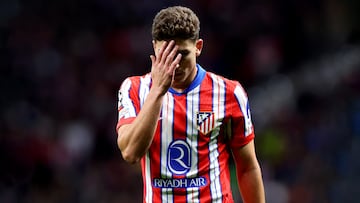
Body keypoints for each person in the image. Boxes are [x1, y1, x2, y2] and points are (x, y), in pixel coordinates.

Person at [116, 6, 265, 203]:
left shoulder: (229, 93)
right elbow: (130, 152)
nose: (175, 64)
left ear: (198, 47)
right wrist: (158, 90)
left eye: (183, 54)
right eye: (166, 54)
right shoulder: (134, 89)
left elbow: (247, 167)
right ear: (154, 48)